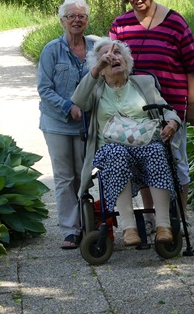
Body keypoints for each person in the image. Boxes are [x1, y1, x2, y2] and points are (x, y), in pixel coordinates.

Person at [109, 0, 194, 230]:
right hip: (136, 109)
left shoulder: (175, 23)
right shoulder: (121, 24)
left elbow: (192, 67)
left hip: (172, 106)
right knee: (145, 162)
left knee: (177, 163)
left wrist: (192, 106)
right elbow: (112, 61)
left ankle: (180, 217)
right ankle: (152, 218)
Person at [71, 37, 181, 246]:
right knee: (116, 154)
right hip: (111, 148)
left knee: (157, 152)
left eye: (117, 53)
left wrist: (173, 123)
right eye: (106, 56)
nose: (113, 57)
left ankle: (163, 225)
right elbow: (78, 101)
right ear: (101, 68)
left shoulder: (144, 83)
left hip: (145, 144)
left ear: (127, 60)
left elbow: (168, 110)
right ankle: (129, 228)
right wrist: (97, 68)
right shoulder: (94, 90)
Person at [37, 0, 97, 250]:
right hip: (58, 124)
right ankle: (71, 231)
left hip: (89, 124)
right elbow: (44, 88)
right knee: (64, 177)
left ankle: (89, 222)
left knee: (84, 176)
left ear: (87, 20)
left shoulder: (96, 46)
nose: (76, 20)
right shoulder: (52, 50)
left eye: (81, 16)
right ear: (62, 20)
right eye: (71, 16)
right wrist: (68, 106)